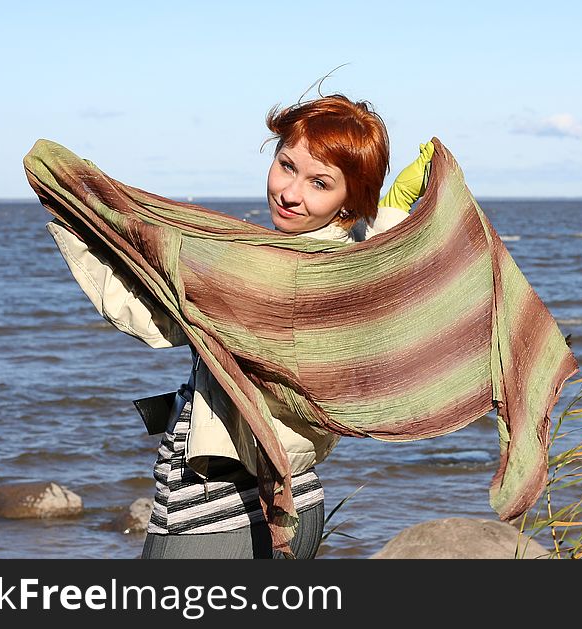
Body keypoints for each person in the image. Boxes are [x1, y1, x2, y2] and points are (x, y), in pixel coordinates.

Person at [45, 94, 434, 558]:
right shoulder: (354, 260)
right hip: (298, 501)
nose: (291, 193)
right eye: (287, 166)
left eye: (319, 182)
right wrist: (393, 206)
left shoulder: (265, 269)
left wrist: (79, 220)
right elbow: (378, 236)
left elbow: (147, 316)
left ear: (351, 198)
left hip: (217, 515)